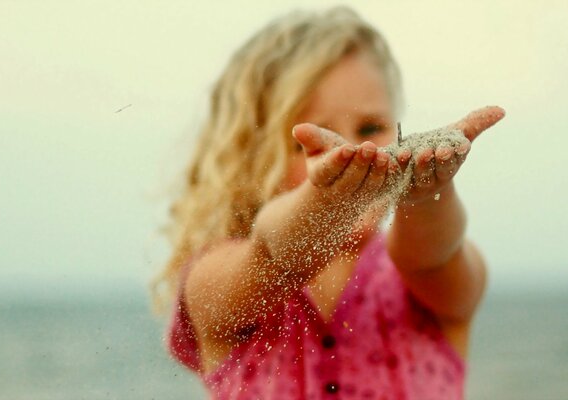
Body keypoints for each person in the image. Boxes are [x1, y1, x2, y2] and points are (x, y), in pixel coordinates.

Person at [152, 6, 505, 399]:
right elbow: (274, 253)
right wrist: (325, 203)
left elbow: (433, 257)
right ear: (252, 158)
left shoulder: (421, 278)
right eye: (308, 141)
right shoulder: (220, 281)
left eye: (371, 127)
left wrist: (424, 194)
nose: (355, 151)